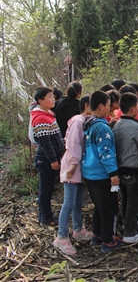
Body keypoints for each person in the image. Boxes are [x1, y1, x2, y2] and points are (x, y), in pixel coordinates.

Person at [82, 90, 123, 253]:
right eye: (107, 105)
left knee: (99, 206)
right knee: (109, 208)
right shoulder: (102, 128)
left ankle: (97, 235)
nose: (109, 108)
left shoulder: (89, 123)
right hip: (102, 173)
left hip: (90, 172)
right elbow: (105, 152)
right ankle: (108, 240)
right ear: (101, 106)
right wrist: (113, 173)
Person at [53, 95, 93, 255]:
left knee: (78, 201)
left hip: (79, 165)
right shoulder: (78, 121)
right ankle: (61, 237)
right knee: (69, 202)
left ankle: (78, 229)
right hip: (72, 165)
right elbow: (73, 144)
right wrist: (74, 165)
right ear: (85, 105)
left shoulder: (85, 121)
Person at [112, 92, 138, 244]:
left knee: (126, 198)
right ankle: (129, 232)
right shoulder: (135, 127)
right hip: (132, 168)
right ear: (133, 109)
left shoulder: (116, 124)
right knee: (134, 200)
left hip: (120, 168)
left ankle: (129, 222)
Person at [31, 87, 65, 226]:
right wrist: (53, 160)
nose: (53, 99)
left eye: (53, 97)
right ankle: (46, 217)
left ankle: (46, 214)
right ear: (41, 101)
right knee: (45, 189)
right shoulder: (40, 118)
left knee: (48, 188)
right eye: (49, 97)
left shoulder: (49, 114)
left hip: (51, 157)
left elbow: (54, 137)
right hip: (45, 159)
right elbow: (45, 142)